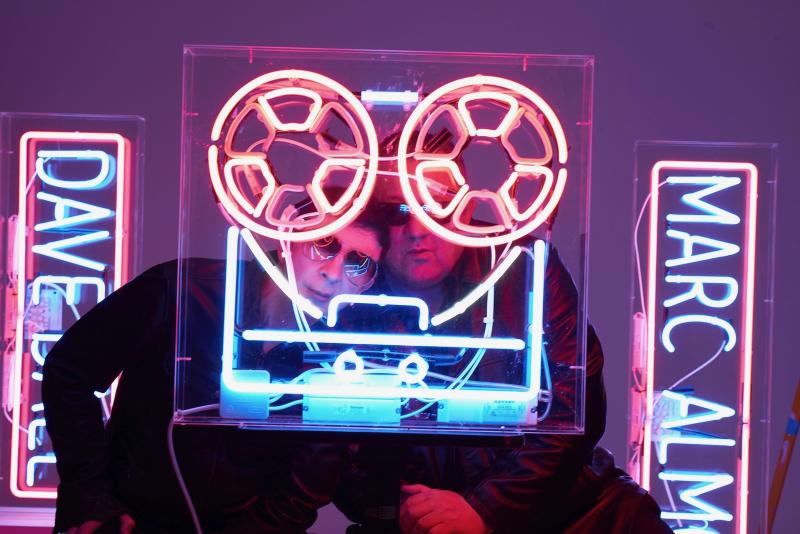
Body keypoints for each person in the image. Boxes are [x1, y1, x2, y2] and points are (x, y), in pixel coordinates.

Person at [331, 163, 671, 533]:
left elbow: (574, 409)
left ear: (466, 208)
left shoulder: (521, 265)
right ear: (375, 219)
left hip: (573, 516)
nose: (417, 230)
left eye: (436, 206)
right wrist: (403, 505)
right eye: (398, 212)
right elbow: (326, 446)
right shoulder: (344, 286)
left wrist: (484, 510)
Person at [41, 202, 387, 533]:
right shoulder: (183, 289)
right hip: (134, 520)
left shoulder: (341, 354)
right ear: (288, 237)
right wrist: (93, 497)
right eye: (322, 244)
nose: (332, 273)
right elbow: (70, 372)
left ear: (370, 282)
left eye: (358, 264)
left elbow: (310, 476)